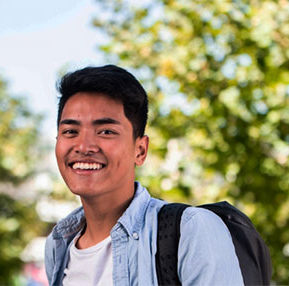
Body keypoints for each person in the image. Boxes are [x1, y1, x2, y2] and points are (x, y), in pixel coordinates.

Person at [44, 65, 244, 285]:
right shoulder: (58, 245)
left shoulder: (192, 229)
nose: (84, 146)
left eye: (106, 132)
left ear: (140, 150)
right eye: (71, 131)